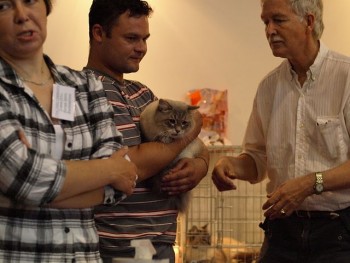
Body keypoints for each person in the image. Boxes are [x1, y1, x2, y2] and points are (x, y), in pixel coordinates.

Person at [0, 0, 139, 262]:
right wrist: (109, 169)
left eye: (30, 1)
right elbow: (25, 176)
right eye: (4, 6)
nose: (22, 15)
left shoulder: (85, 86)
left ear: (45, 7)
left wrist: (29, 191)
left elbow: (124, 181)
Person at [212, 0, 350, 262]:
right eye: (265, 22)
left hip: (339, 233)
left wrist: (312, 183)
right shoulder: (268, 87)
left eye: (279, 20)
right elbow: (256, 160)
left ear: (308, 22)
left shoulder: (346, 77)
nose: (269, 30)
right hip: (281, 231)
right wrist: (229, 164)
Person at [84, 0, 209, 262]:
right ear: (98, 33)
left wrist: (198, 167)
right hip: (112, 247)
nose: (141, 48)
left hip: (160, 244)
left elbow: (198, 149)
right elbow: (130, 164)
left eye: (145, 39)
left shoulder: (143, 93)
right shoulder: (83, 90)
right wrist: (191, 129)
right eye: (131, 38)